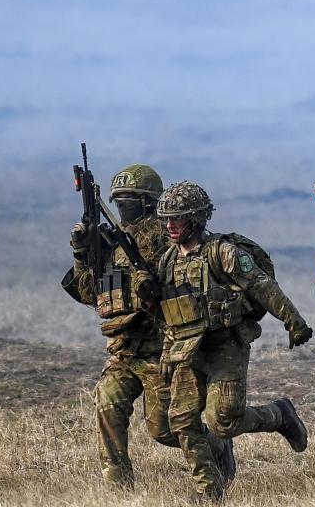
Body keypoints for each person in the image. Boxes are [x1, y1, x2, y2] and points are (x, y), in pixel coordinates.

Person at [61, 165, 234, 490]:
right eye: (119, 201)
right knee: (107, 405)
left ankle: (218, 445)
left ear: (148, 203)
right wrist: (83, 253)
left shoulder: (163, 239)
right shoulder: (112, 241)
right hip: (123, 350)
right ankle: (119, 488)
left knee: (165, 429)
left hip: (158, 349)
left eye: (130, 201)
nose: (123, 207)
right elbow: (89, 293)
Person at [155, 180, 314, 500]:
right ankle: (210, 491)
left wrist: (293, 321)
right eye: (167, 219)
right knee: (181, 422)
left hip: (225, 346)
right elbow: (168, 313)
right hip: (187, 351)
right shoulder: (167, 262)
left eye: (178, 218)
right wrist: (165, 350)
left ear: (196, 219)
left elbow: (262, 286)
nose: (170, 226)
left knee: (222, 421)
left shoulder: (223, 253)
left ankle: (279, 415)